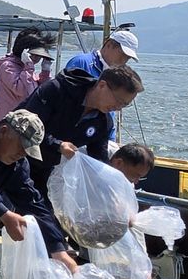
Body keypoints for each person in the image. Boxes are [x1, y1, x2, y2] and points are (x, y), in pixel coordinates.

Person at [0, 109, 77, 273]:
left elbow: (34, 203)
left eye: (28, 151)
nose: (22, 154)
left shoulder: (17, 165)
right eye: (21, 146)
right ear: (3, 131)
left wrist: (57, 248)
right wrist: (3, 213)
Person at [17, 64, 145, 198]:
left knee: (42, 216)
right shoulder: (56, 90)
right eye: (118, 100)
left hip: (45, 170)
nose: (119, 108)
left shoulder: (103, 122)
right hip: (14, 157)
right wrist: (58, 145)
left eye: (125, 105)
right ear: (102, 85)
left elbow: (98, 161)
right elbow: (25, 127)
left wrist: (114, 183)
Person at [0, 27, 57, 121]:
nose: (37, 58)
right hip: (8, 123)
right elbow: (24, 90)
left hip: (25, 121)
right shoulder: (7, 66)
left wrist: (45, 72)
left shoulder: (26, 69)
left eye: (39, 55)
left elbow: (42, 92)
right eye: (34, 54)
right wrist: (28, 65)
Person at [65, 29, 140, 80]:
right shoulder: (81, 63)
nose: (124, 60)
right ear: (109, 45)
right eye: (123, 54)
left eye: (128, 57)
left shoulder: (118, 75)